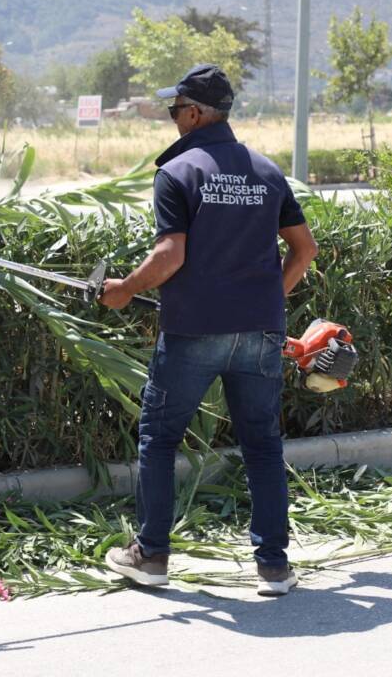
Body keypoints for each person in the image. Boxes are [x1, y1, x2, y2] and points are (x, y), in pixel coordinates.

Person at [100, 63, 318, 597]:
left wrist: (125, 288)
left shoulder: (178, 172)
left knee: (159, 439)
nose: (172, 118)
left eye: (175, 109)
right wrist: (268, 300)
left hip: (194, 331)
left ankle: (151, 555)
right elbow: (304, 250)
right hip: (260, 331)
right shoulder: (268, 172)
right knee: (262, 445)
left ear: (196, 113)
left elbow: (170, 255)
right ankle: (274, 567)